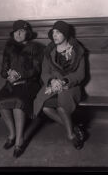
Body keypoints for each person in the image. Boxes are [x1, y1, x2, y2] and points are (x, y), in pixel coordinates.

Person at [33, 20, 86, 150]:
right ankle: (74, 126)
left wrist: (64, 81)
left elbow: (80, 75)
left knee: (63, 107)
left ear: (66, 35)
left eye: (59, 32)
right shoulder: (49, 51)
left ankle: (71, 135)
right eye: (53, 32)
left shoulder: (77, 51)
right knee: (45, 108)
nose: (54, 35)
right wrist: (52, 81)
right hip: (53, 83)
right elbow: (44, 72)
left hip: (70, 85)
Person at [0, 20, 43, 158]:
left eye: (22, 31)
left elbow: (37, 70)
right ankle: (12, 133)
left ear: (27, 33)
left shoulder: (36, 48)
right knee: (1, 101)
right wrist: (8, 74)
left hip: (30, 83)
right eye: (16, 31)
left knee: (18, 102)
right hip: (12, 83)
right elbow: (3, 70)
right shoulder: (9, 47)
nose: (19, 33)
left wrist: (20, 75)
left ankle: (19, 140)